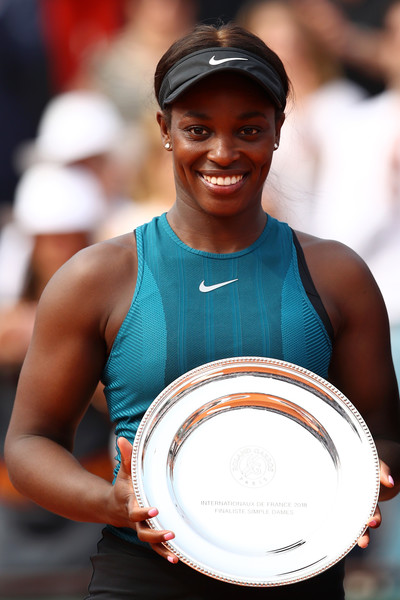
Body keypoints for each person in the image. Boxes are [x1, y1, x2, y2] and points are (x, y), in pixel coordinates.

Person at [4, 22, 400, 600]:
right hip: (143, 580)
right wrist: (110, 501)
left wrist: (365, 480)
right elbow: (29, 444)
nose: (223, 152)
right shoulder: (98, 277)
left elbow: (384, 439)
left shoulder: (338, 275)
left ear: (279, 130)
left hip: (300, 576)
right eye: (198, 129)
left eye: (248, 129)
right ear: (164, 129)